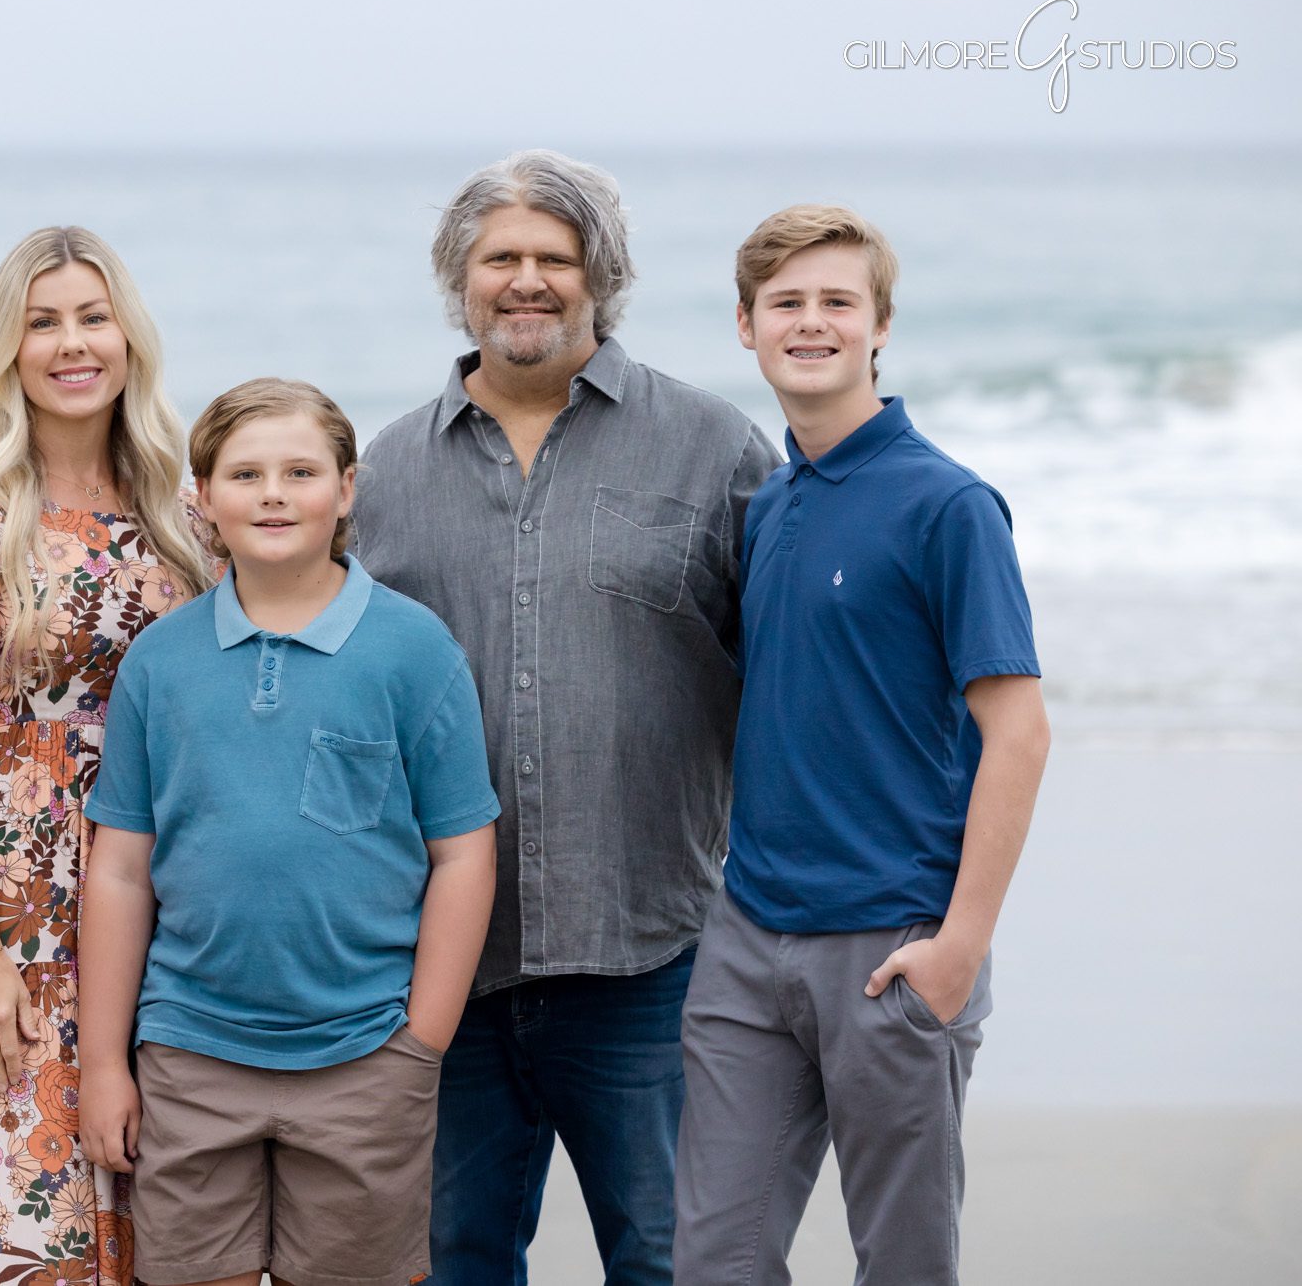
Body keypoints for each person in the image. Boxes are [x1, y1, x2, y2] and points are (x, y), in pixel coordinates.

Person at [351, 149, 780, 1286]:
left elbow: (788, 685)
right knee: (454, 1261)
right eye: (501, 258)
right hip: (445, 968)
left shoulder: (714, 449)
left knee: (677, 1259)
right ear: (460, 279)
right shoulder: (380, 473)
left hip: (653, 954)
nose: (527, 280)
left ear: (602, 276)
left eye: (556, 257)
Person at [673, 205, 1050, 1286]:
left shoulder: (947, 505)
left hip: (891, 944)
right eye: (784, 304)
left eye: (836, 301)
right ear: (744, 327)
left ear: (878, 324)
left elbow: (1015, 732)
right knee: (713, 1262)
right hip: (747, 938)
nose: (810, 323)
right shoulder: (769, 502)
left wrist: (957, 946)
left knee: (901, 1264)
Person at [78, 378, 500, 1286]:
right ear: (203, 499)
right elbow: (120, 868)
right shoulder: (162, 659)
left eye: (301, 471)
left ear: (347, 489)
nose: (273, 492)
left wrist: (419, 1041)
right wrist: (105, 1061)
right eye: (246, 473)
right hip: (191, 1053)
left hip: (363, 1055)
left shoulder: (413, 648)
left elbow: (463, 851)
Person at [0, 226, 211, 1286]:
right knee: (6, 1206)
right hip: (5, 912)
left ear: (129, 338)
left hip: (157, 910)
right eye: (42, 322)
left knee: (141, 1199)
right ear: (7, 351)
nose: (73, 344)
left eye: (92, 317)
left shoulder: (186, 517)